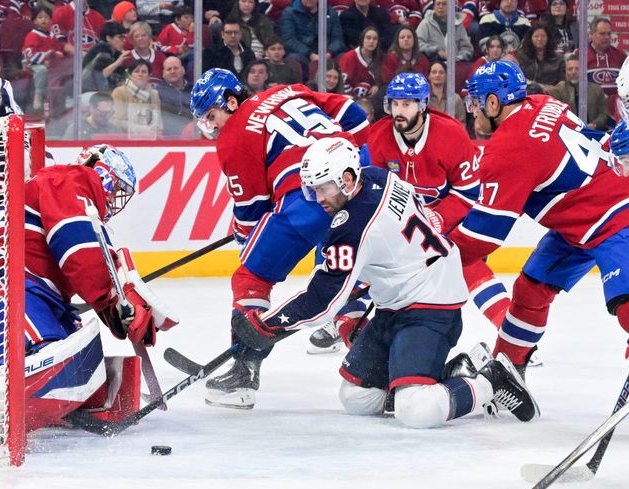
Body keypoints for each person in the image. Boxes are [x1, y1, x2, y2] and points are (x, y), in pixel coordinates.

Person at [230, 136, 538, 427]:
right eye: (313, 190)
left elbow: (322, 298)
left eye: (323, 188)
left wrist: (266, 324)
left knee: (415, 410)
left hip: (432, 307)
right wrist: (351, 316)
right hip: (398, 300)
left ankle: (489, 381)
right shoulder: (377, 175)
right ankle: (455, 373)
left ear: (347, 179)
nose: (319, 199)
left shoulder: (353, 224)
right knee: (357, 399)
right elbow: (376, 257)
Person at [0, 144, 176, 433]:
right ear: (103, 175)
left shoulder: (77, 198)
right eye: (116, 189)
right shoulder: (70, 180)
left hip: (32, 294)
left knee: (73, 359)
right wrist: (112, 298)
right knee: (49, 358)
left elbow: (90, 262)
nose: (114, 200)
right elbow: (79, 249)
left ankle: (60, 403)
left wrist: (119, 312)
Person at [189, 68, 369, 408]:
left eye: (212, 117)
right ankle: (374, 367)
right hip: (357, 180)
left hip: (307, 198)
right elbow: (353, 113)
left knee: (250, 277)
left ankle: (243, 374)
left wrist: (248, 241)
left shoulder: (234, 136)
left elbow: (251, 210)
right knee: (343, 277)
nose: (213, 127)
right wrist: (363, 161)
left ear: (230, 101)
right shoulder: (288, 89)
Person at [447, 60, 629, 374]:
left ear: (494, 102)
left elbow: (484, 236)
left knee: (626, 304)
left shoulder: (508, 149)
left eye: (476, 103)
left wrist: (434, 258)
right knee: (531, 287)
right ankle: (507, 370)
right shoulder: (543, 103)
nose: (473, 112)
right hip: (581, 217)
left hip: (615, 214)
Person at [367, 72, 509, 332]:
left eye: (406, 104)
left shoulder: (451, 135)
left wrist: (439, 218)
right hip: (403, 220)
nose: (399, 111)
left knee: (464, 261)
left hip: (451, 220)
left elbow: (468, 193)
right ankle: (346, 322)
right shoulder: (378, 136)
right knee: (369, 255)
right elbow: (377, 191)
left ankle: (509, 331)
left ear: (422, 105)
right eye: (395, 104)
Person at [23, 6, 74, 114]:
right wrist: (46, 59)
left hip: (51, 63)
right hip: (34, 64)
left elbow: (59, 49)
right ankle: (38, 96)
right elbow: (30, 54)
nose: (43, 20)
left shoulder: (52, 35)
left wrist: (56, 56)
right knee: (42, 71)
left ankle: (61, 99)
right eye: (40, 17)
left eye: (46, 17)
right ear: (35, 20)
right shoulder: (32, 35)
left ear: (51, 20)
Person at [548, 53, 611, 131]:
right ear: (565, 71)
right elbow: (556, 114)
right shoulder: (558, 90)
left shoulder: (597, 89)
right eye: (570, 69)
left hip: (593, 132)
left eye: (577, 69)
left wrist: (594, 124)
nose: (573, 72)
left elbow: (603, 113)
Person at [111, 59, 163, 138]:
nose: (140, 74)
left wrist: (157, 130)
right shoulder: (119, 92)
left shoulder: (154, 94)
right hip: (124, 138)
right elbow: (117, 121)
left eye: (144, 72)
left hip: (150, 138)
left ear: (149, 76)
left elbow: (158, 120)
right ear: (130, 76)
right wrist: (144, 130)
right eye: (136, 71)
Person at [587, 17, 627, 104]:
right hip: (591, 106)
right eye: (602, 34)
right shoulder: (581, 55)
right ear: (591, 34)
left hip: (617, 106)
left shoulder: (620, 55)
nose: (606, 37)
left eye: (609, 34)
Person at [339, 26, 383, 101]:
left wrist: (378, 86)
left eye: (375, 39)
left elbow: (384, 81)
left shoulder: (381, 59)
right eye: (368, 38)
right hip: (351, 100)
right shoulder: (349, 58)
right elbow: (343, 85)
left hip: (371, 101)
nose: (371, 41)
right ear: (362, 40)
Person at [515, 24, 564, 89]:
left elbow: (562, 82)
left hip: (551, 93)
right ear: (530, 38)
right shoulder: (520, 56)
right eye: (536, 36)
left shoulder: (558, 58)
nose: (540, 39)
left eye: (543, 36)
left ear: (548, 38)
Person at [156, 55, 193, 137]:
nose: (172, 71)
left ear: (183, 70)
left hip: (192, 136)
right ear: (163, 74)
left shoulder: (195, 90)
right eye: (169, 69)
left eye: (176, 68)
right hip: (167, 137)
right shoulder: (157, 93)